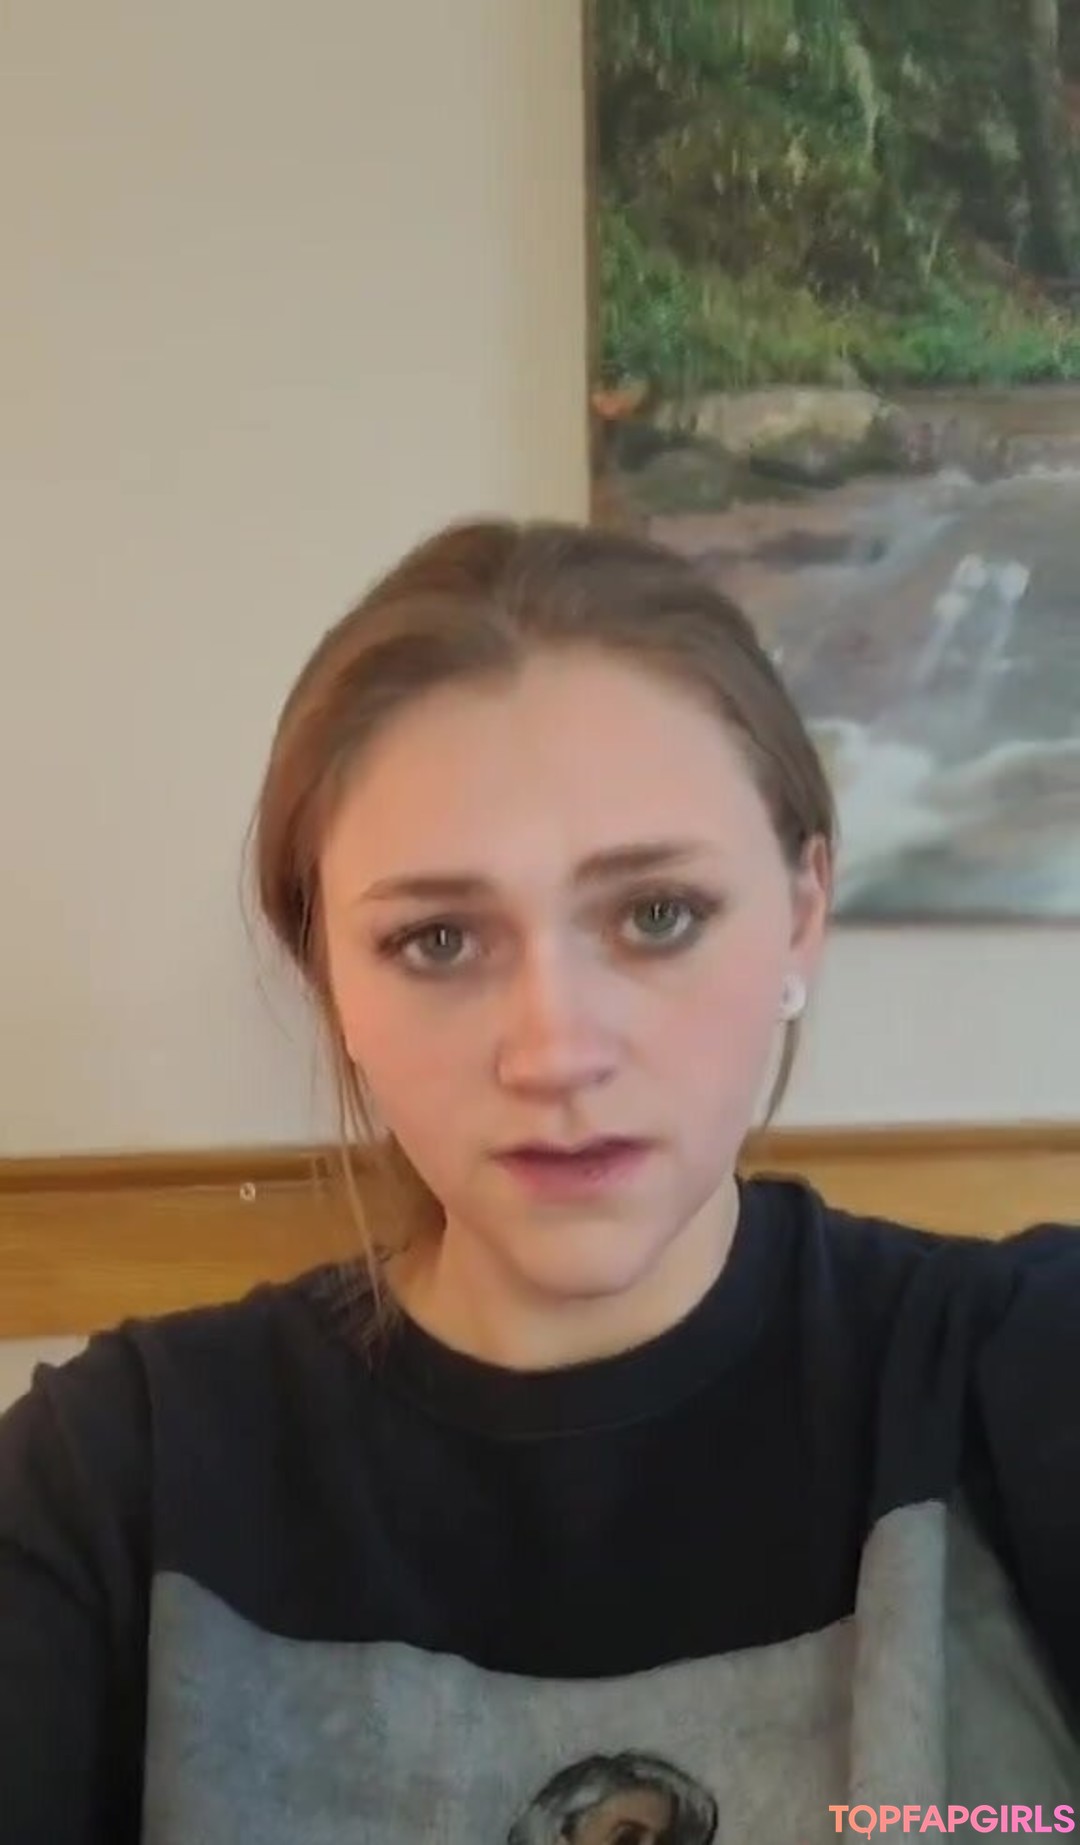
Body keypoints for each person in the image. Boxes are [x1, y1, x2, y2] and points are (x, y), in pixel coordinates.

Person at [0, 518, 1077, 1845]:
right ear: (329, 978)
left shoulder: (1023, 1375)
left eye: (657, 914)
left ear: (801, 916)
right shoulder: (114, 1478)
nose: (557, 1050)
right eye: (439, 939)